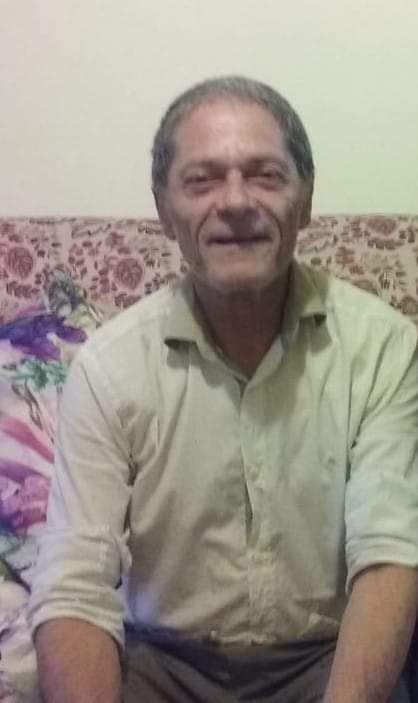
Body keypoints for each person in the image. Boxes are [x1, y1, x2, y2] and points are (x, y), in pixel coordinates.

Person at [28, 76, 418, 703]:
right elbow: (75, 585)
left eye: (265, 175)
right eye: (202, 180)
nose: (236, 201)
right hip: (162, 664)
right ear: (164, 211)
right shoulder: (109, 367)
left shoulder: (383, 347)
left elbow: (389, 554)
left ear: (305, 200)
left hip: (328, 658)